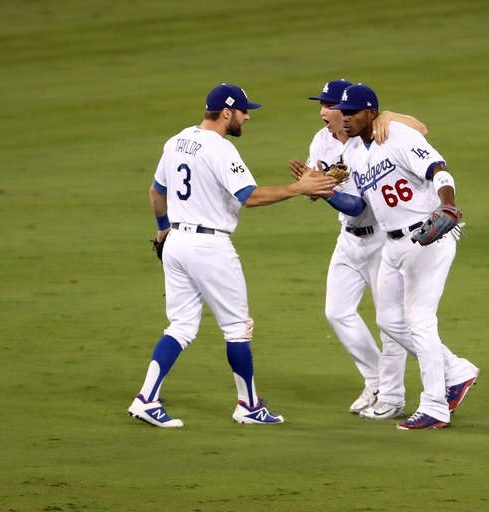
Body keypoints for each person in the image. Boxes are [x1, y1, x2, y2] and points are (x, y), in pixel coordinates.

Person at [128, 83, 337, 428]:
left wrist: (163, 228)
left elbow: (156, 190)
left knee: (180, 327)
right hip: (210, 248)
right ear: (226, 112)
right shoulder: (219, 149)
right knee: (237, 329)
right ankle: (249, 406)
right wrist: (297, 188)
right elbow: (249, 197)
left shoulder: (177, 140)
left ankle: (146, 398)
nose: (246, 118)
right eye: (243, 111)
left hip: (177, 243)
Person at [324, 83, 479, 429]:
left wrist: (448, 205)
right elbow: (360, 205)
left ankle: (435, 406)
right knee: (389, 322)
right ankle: (456, 371)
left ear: (371, 114)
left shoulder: (397, 136)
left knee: (419, 321)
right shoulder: (352, 153)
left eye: (353, 114)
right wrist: (326, 191)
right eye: (343, 113)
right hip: (391, 245)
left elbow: (439, 170)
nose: (345, 119)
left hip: (427, 236)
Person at [289, 79, 429, 420]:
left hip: (381, 240)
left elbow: (355, 205)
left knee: (390, 323)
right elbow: (320, 185)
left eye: (330, 106)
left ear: (349, 112)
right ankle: (376, 380)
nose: (323, 112)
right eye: (320, 105)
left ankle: (394, 397)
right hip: (347, 239)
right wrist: (313, 186)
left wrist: (325, 192)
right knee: (337, 312)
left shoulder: (372, 141)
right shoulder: (322, 140)